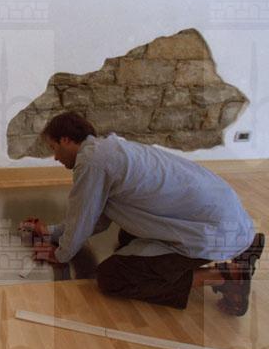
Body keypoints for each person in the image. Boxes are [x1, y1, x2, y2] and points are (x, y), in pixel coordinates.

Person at [21, 111, 264, 316]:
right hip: (229, 220)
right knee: (127, 237)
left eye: (53, 148)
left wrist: (60, 254)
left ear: (65, 140)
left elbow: (82, 220)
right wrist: (50, 232)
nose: (55, 157)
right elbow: (95, 219)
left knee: (112, 277)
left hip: (211, 231)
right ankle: (243, 246)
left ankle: (225, 276)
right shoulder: (109, 149)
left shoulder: (92, 163)